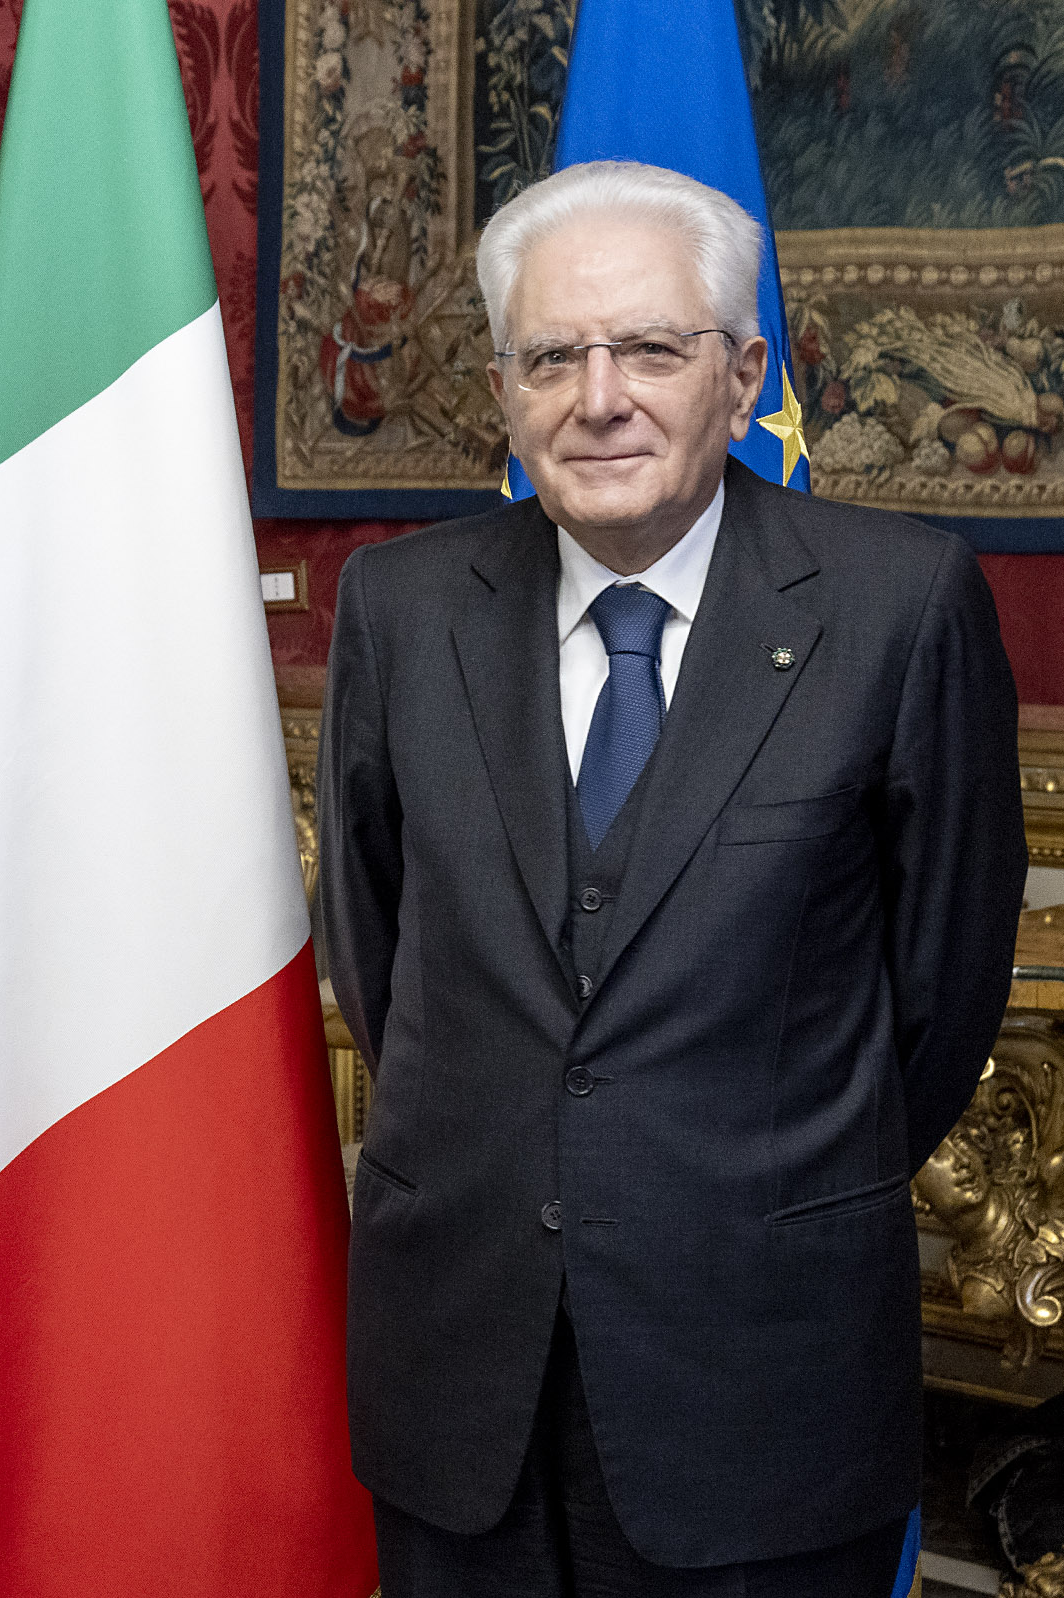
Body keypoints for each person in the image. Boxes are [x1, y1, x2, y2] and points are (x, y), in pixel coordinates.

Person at [319, 159, 1026, 1596]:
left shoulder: (898, 607)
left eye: (648, 348)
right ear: (503, 388)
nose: (599, 399)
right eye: (550, 357)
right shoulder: (399, 610)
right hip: (462, 1366)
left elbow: (940, 991)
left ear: (742, 373)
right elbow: (376, 949)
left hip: (764, 1377)